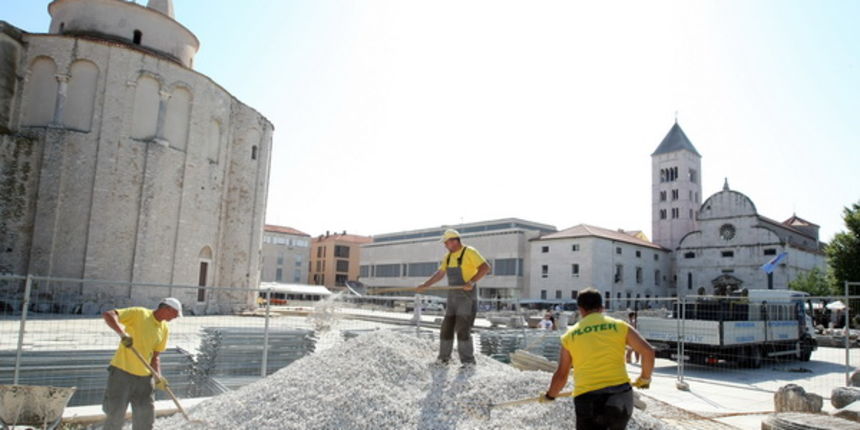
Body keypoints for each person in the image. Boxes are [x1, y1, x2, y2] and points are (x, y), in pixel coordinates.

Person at [541, 288, 655, 430]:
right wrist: (645, 378)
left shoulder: (570, 336)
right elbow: (648, 352)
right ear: (602, 307)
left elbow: (562, 374)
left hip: (589, 399)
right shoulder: (619, 326)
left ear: (580, 309)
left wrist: (550, 395)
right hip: (621, 396)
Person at [101, 298, 182, 430]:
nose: (176, 318)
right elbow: (109, 315)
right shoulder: (139, 314)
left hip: (144, 380)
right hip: (122, 374)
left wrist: (158, 376)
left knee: (145, 419)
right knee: (115, 416)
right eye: (175, 314)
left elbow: (155, 356)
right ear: (166, 309)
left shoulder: (164, 328)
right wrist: (122, 334)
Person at [418, 229, 490, 368]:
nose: (445, 245)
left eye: (446, 242)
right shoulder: (448, 257)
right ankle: (443, 359)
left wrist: (472, 282)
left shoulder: (469, 252)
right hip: (452, 300)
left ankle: (468, 362)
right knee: (446, 328)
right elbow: (440, 274)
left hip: (466, 299)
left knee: (462, 330)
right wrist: (426, 284)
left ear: (455, 241)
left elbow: (485, 267)